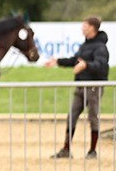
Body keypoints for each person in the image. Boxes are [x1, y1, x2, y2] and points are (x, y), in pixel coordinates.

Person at [45, 16, 109, 159]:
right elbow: (75, 60)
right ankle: (66, 149)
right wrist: (57, 61)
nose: (82, 28)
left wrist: (86, 65)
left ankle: (92, 150)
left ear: (92, 27)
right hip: (80, 86)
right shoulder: (85, 45)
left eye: (84, 25)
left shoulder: (101, 48)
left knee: (93, 117)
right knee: (71, 116)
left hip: (93, 86)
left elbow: (101, 66)